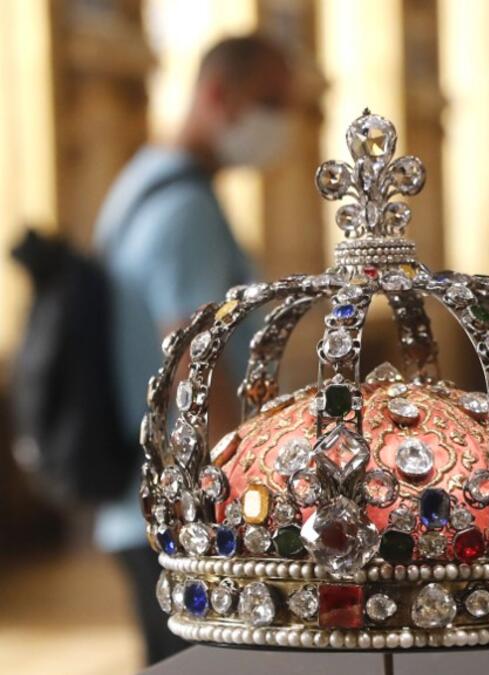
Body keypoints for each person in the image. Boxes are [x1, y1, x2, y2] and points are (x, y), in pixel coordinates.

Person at [92, 34, 292, 664]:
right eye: (271, 102)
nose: (281, 123)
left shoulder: (142, 182)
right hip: (183, 509)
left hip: (141, 500)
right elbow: (194, 365)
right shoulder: (186, 210)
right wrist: (241, 498)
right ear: (217, 96)